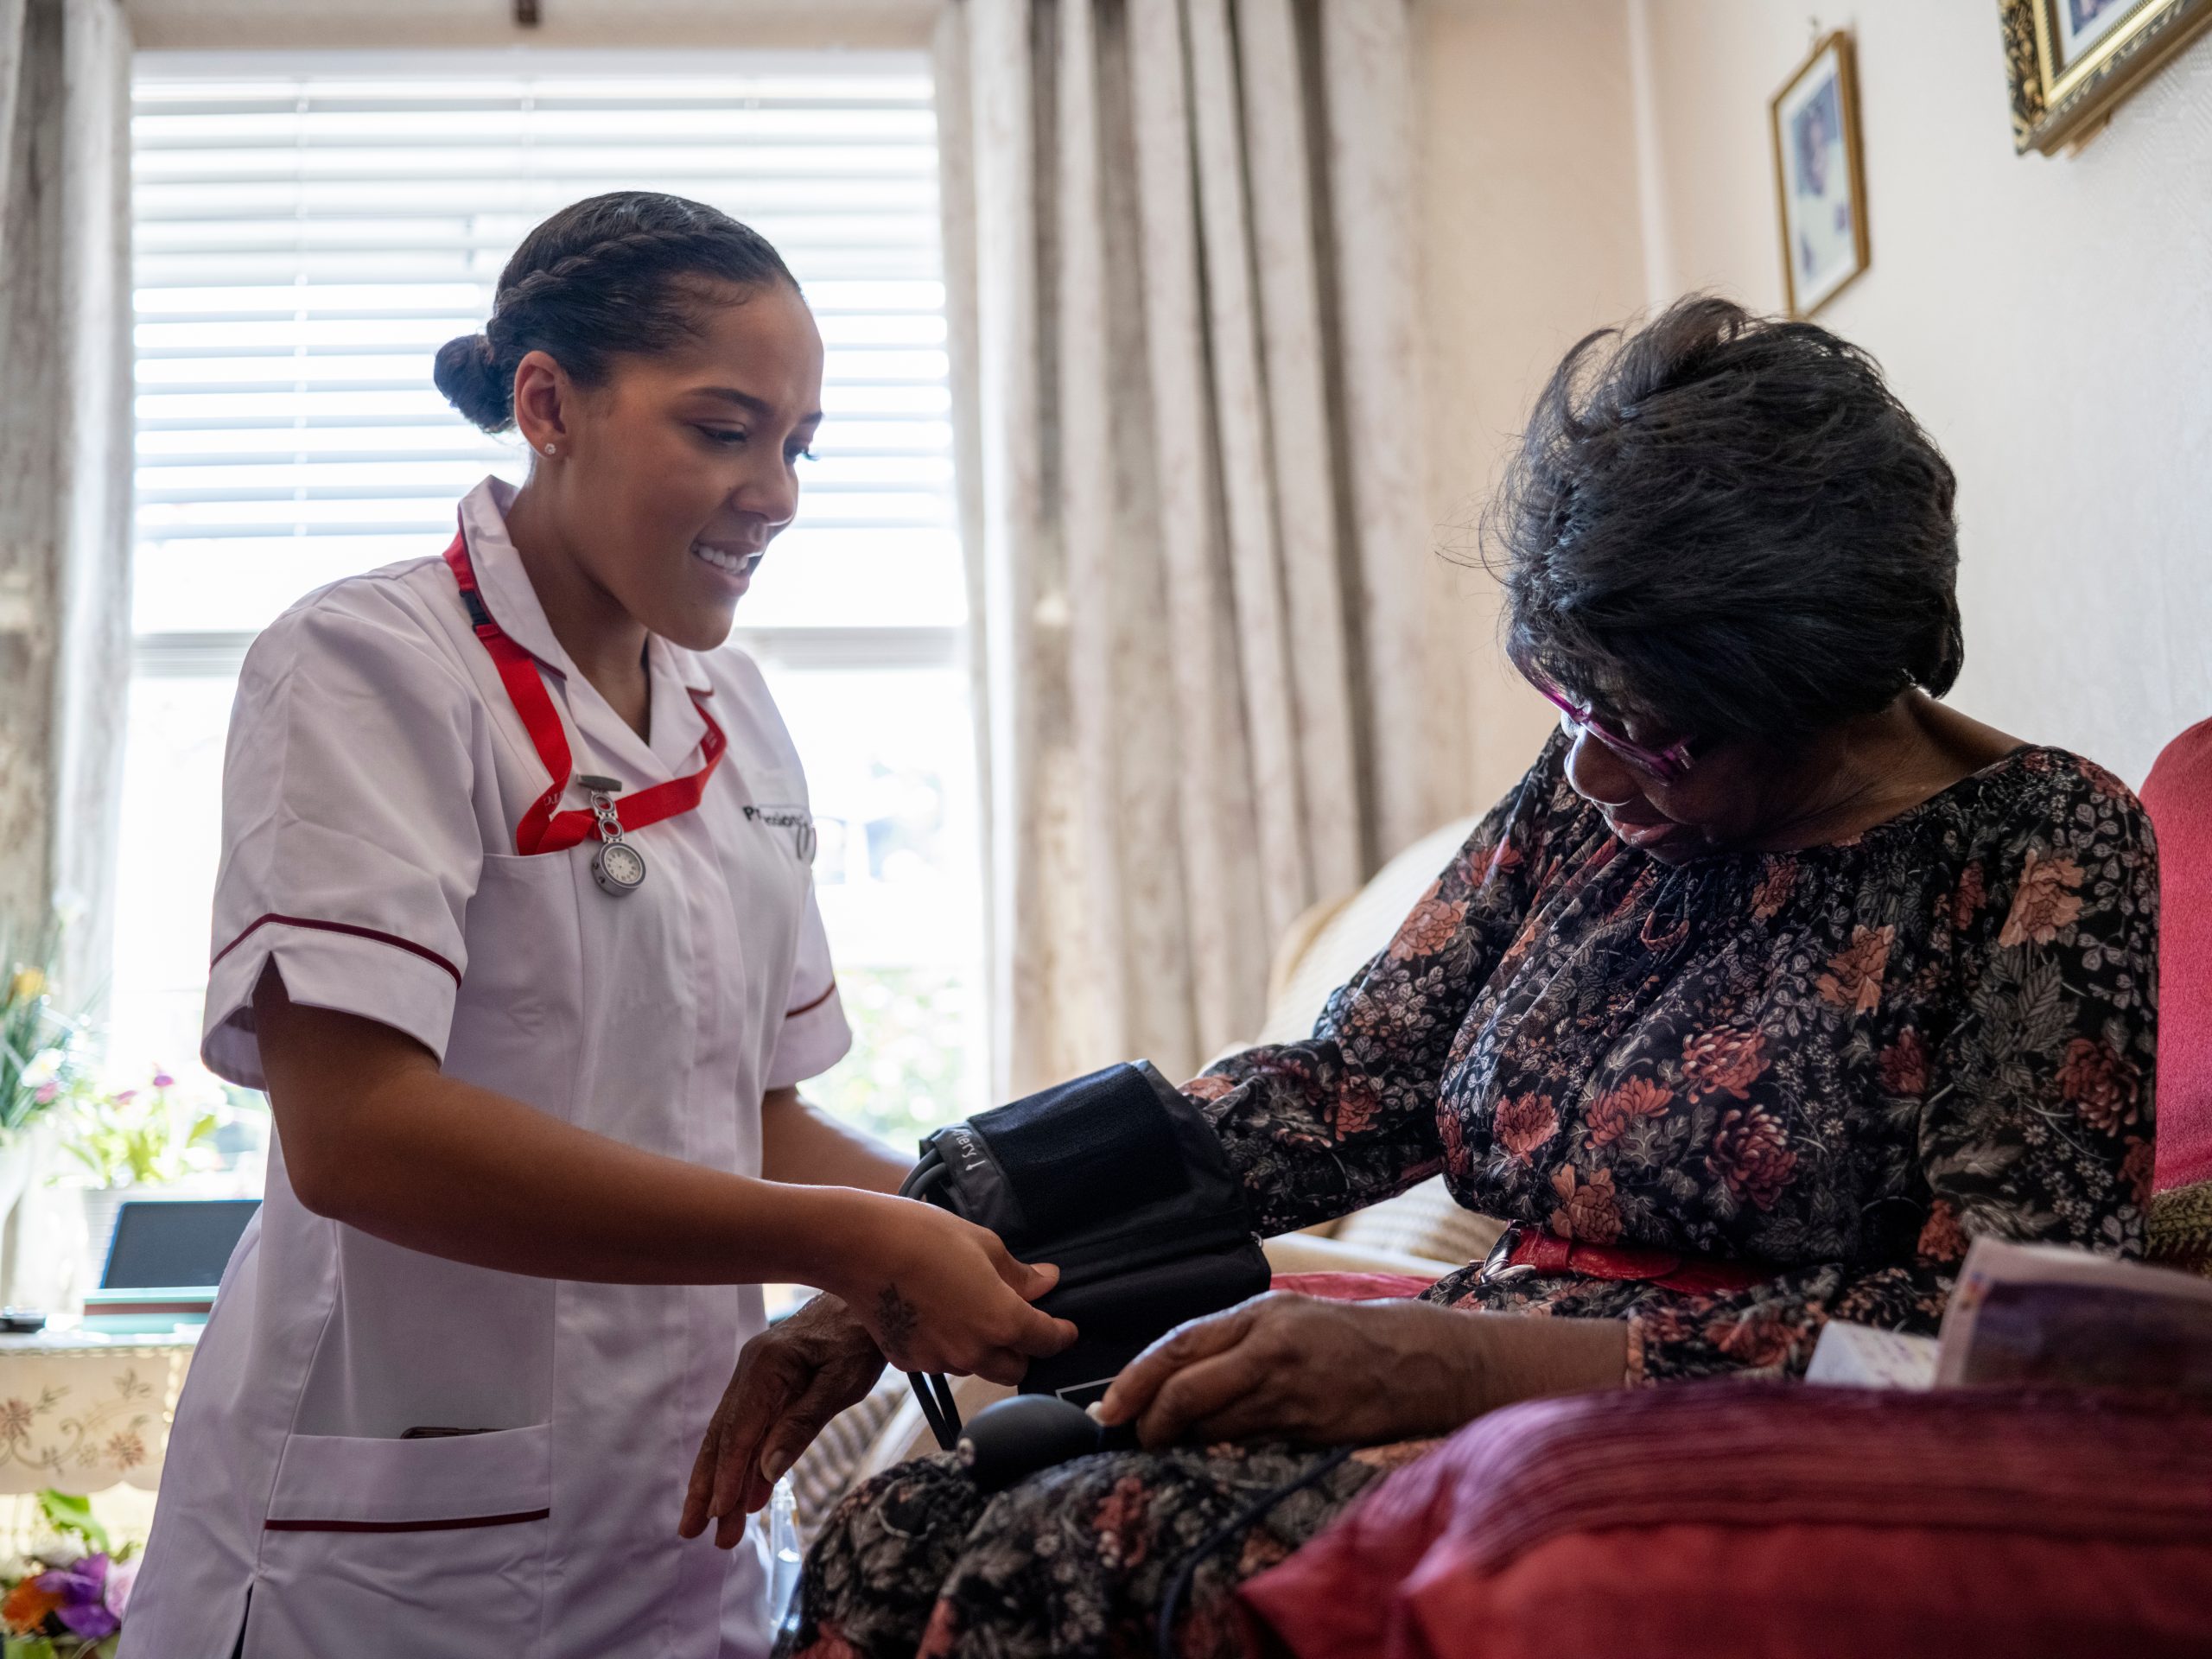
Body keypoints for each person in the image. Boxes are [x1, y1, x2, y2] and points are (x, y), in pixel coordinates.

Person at [707, 298, 2158, 1658]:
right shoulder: (1607, 778)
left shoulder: (2045, 851)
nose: (1586, 769)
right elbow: (1342, 1089)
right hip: (1475, 1360)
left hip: (1685, 1439)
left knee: (1075, 1544)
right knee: (906, 1520)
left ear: (1819, 694)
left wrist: (1463, 1370)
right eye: (1569, 702)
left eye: (1647, 732)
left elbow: (1984, 1346)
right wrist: (910, 1243)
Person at [118, 192, 1074, 1659]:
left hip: (680, 1531)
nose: (777, 492)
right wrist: (853, 1241)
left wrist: (983, 1225)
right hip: (392, 1561)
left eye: (797, 444)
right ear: (549, 404)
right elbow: (357, 1134)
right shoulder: (368, 665)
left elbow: (746, 1121)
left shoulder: (732, 714)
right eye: (722, 429)